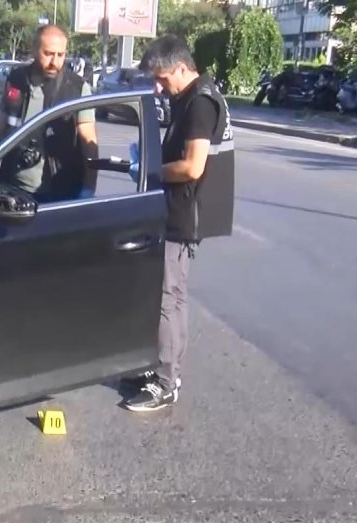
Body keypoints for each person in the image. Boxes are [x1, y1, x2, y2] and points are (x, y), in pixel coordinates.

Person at [123, 34, 235, 413]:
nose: (158, 87)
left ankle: (166, 382)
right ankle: (163, 369)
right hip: (180, 210)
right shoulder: (189, 96)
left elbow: (192, 166)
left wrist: (148, 170)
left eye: (162, 78)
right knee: (174, 297)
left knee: (166, 300)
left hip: (184, 213)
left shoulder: (199, 102)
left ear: (182, 68)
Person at [0, 24, 99, 203]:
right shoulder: (17, 80)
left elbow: (89, 142)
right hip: (14, 188)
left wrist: (89, 188)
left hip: (60, 191)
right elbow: (0, 130)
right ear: (34, 51)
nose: (55, 62)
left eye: (60, 55)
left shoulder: (77, 88)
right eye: (48, 54)